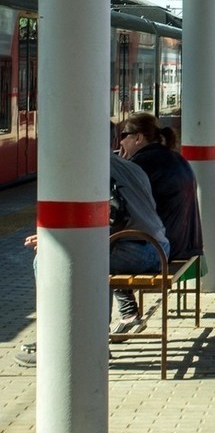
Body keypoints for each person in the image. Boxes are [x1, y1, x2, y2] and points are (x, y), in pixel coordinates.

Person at [15, 143, 169, 366]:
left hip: (136, 250)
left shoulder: (88, 169)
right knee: (98, 266)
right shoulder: (132, 167)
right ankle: (93, 342)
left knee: (48, 260)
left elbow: (104, 222)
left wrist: (54, 241)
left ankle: (55, 345)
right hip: (158, 248)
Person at [118, 112, 203, 261]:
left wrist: (123, 168)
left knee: (95, 258)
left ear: (138, 138)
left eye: (124, 135)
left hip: (165, 248)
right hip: (188, 245)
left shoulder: (141, 165)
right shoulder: (176, 157)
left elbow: (124, 212)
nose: (121, 142)